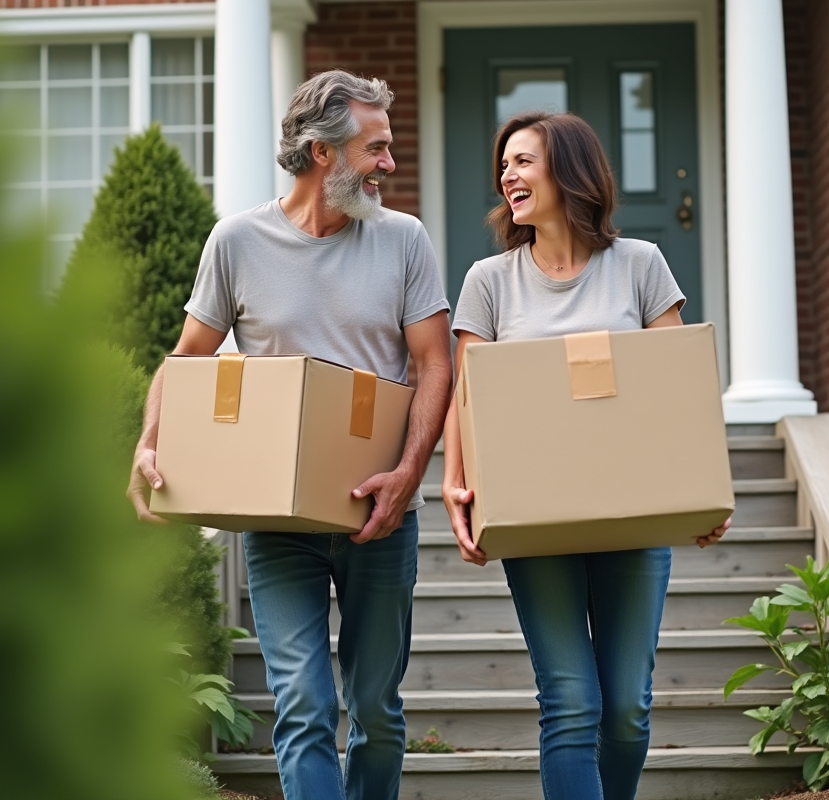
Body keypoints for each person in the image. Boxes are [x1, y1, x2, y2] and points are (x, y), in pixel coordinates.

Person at [127, 71, 452, 800]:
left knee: (375, 709)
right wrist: (151, 441)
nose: (389, 166)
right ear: (321, 153)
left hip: (380, 512)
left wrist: (406, 475)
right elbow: (187, 359)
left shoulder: (404, 240)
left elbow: (436, 363)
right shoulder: (239, 241)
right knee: (304, 706)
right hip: (276, 517)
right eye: (376, 149)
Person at [441, 111, 731, 800]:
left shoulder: (639, 266)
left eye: (524, 161)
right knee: (571, 702)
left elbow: (676, 387)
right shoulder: (490, 281)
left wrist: (704, 488)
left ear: (569, 171)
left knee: (626, 709)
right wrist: (455, 489)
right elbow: (466, 398)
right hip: (536, 521)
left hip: (631, 518)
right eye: (504, 165)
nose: (508, 175)